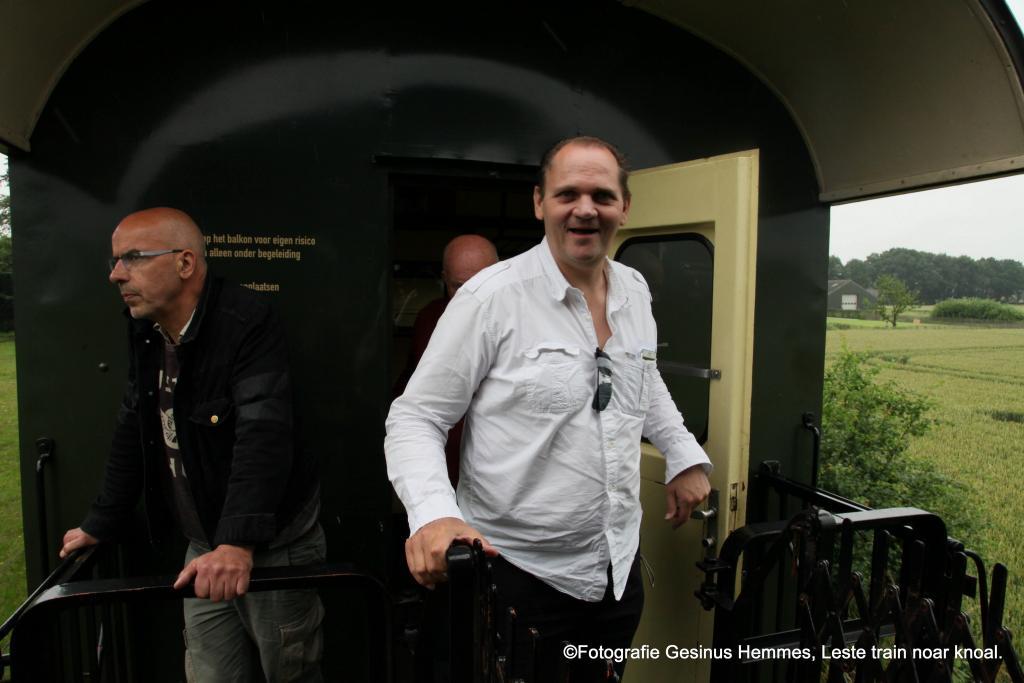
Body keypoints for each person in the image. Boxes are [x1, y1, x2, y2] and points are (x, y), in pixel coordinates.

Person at [385, 137, 712, 680]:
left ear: (625, 207)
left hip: (616, 574)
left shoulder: (635, 290)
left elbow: (643, 376)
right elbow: (416, 417)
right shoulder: (490, 298)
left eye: (602, 196)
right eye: (568, 194)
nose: (585, 209)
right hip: (515, 579)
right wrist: (435, 516)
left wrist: (682, 453)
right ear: (540, 202)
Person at [59, 207, 324, 682]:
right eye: (116, 260)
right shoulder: (147, 329)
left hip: (273, 547)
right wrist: (102, 521)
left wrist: (237, 544)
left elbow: (263, 434)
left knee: (290, 671)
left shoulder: (245, 321)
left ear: (184, 263)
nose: (116, 274)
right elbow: (135, 426)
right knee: (209, 673)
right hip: (203, 545)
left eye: (133, 258)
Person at [394, 234, 499, 486]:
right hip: (443, 468)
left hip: (501, 474)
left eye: (482, 284)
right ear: (444, 279)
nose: (472, 297)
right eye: (459, 287)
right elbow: (410, 394)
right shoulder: (429, 319)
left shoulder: (526, 320)